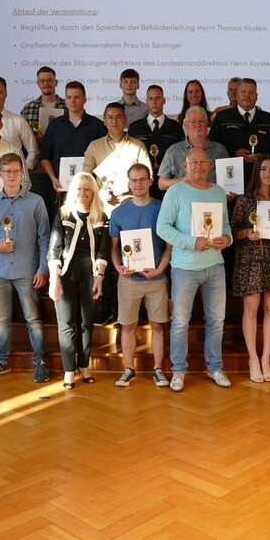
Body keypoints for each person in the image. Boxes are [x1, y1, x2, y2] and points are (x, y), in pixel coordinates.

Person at [156, 148, 233, 391]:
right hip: (184, 267)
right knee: (180, 322)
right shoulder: (175, 192)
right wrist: (192, 242)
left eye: (202, 162)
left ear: (209, 165)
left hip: (215, 266)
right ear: (185, 166)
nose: (199, 167)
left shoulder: (218, 192)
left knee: (217, 321)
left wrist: (227, 240)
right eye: (194, 163)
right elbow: (162, 228)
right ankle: (178, 370)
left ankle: (215, 368)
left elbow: (227, 227)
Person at [0, 153, 52, 382]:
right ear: (0, 175)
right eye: (7, 171)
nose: (11, 175)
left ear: (22, 173)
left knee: (33, 320)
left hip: (27, 271)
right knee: (1, 320)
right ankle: (1, 361)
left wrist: (43, 268)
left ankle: (40, 362)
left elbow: (45, 238)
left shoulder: (35, 201)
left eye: (16, 171)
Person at [109, 164, 172, 388]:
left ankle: (158, 370)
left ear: (150, 181)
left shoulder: (162, 208)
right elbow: (114, 247)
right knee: (127, 325)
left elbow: (169, 246)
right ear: (128, 183)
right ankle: (128, 369)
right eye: (134, 180)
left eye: (142, 180)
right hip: (129, 280)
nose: (138, 184)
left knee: (157, 325)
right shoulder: (118, 213)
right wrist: (117, 267)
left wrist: (160, 269)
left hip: (156, 278)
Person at [230, 155, 270, 382]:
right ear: (256, 172)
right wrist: (247, 233)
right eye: (263, 169)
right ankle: (252, 359)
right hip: (250, 259)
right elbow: (233, 232)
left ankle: (266, 358)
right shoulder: (245, 200)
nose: (267, 173)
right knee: (251, 308)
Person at [48, 172, 109, 388]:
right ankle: (68, 370)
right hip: (65, 275)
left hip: (90, 276)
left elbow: (103, 252)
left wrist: (100, 278)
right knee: (66, 325)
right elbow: (54, 249)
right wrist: (53, 280)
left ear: (93, 192)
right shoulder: (63, 213)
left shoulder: (101, 217)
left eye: (87, 189)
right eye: (79, 189)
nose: (83, 193)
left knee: (86, 324)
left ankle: (84, 366)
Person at [209, 78, 270, 186]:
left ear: (256, 96)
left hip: (262, 181)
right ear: (237, 95)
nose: (247, 95)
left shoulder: (269, 119)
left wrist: (263, 157)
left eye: (251, 92)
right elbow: (212, 147)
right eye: (243, 92)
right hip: (230, 180)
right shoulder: (222, 118)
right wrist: (233, 153)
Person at [38, 81, 108, 199]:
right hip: (60, 189)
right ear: (65, 99)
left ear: (84, 100)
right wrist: (53, 178)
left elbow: (105, 158)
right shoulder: (55, 125)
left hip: (89, 190)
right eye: (69, 97)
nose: (72, 101)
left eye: (76, 97)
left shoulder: (98, 126)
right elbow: (45, 157)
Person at [82, 103, 151, 209]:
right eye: (110, 117)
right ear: (104, 121)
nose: (114, 121)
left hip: (132, 204)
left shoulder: (138, 146)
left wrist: (127, 188)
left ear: (125, 120)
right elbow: (85, 178)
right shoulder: (94, 146)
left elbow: (148, 177)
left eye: (118, 117)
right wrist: (100, 191)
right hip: (102, 206)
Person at [157, 106, 228, 190]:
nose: (197, 125)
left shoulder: (220, 150)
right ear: (186, 125)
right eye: (193, 122)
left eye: (201, 121)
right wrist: (184, 180)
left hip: (213, 200)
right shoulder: (173, 151)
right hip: (184, 200)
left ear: (207, 124)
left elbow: (229, 179)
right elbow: (161, 184)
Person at [127, 84, 184, 188]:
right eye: (150, 98)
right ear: (146, 101)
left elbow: (181, 156)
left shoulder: (176, 128)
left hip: (169, 183)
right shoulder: (135, 128)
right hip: (142, 185)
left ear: (164, 100)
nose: (154, 102)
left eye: (157, 98)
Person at [20, 65, 66, 149]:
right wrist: (33, 140)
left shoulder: (67, 106)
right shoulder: (28, 109)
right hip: (36, 157)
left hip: (62, 155)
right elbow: (21, 138)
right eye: (42, 81)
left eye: (49, 80)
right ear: (38, 83)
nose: (46, 84)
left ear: (56, 82)